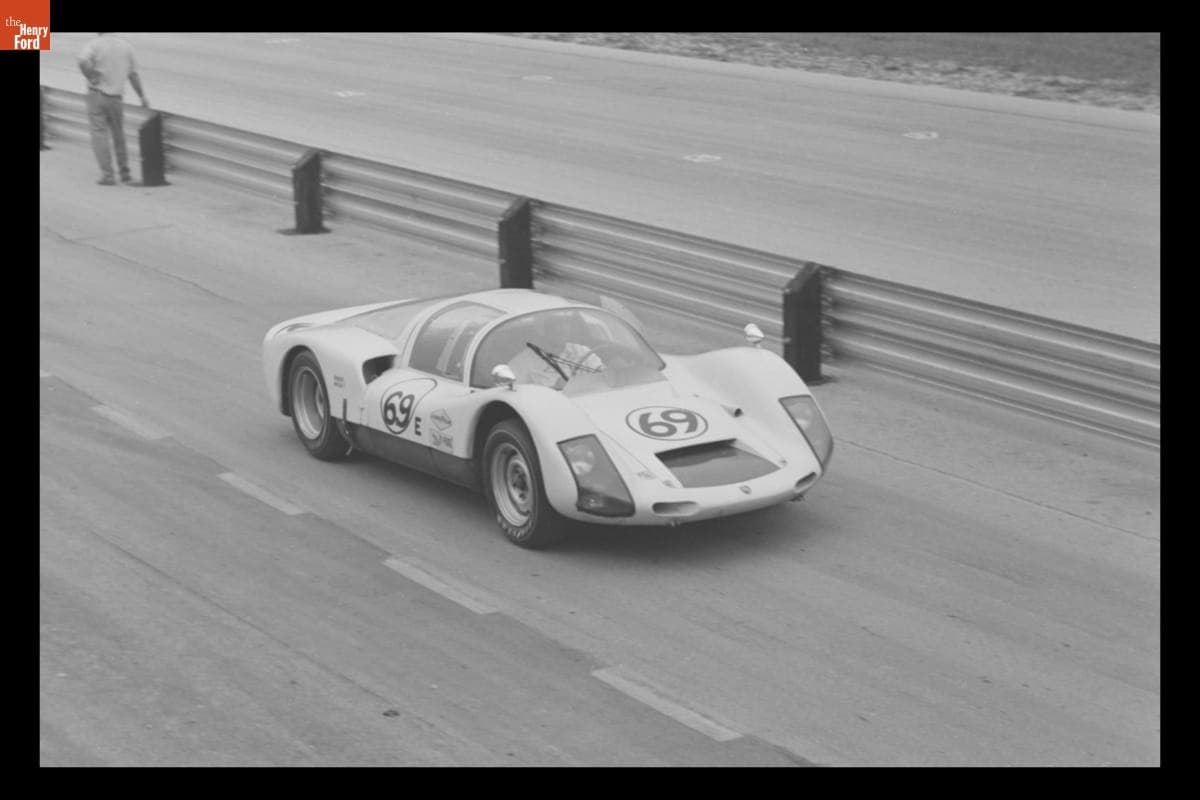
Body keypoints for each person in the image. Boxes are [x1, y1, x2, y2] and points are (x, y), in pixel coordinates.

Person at [77, 33, 150, 185]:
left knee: (99, 135)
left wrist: (91, 76)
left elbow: (82, 61)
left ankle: (108, 175)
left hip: (97, 94)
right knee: (119, 135)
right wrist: (142, 96)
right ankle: (125, 174)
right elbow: (133, 75)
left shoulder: (95, 44)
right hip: (116, 98)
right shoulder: (126, 47)